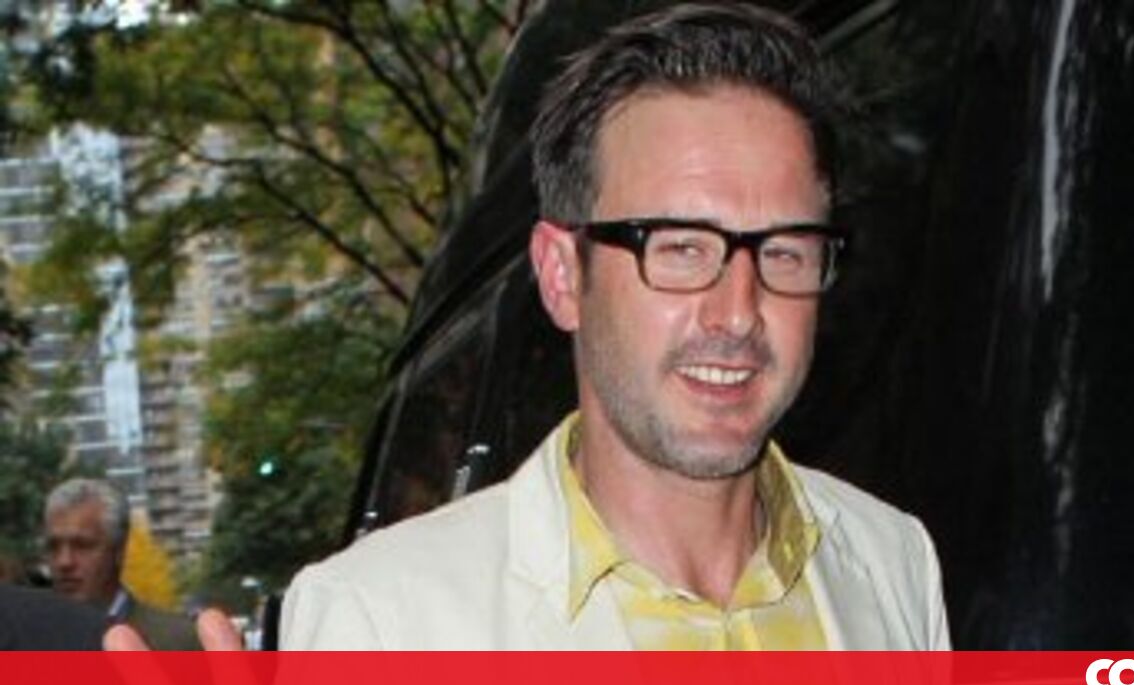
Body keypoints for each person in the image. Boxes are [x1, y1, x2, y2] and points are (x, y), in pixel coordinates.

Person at [277, 3, 949, 650]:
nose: (739, 311)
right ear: (563, 275)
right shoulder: (382, 621)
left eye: (784, 252)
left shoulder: (894, 562)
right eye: (680, 248)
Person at [44, 478, 200, 650]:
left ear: (119, 550)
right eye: (53, 546)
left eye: (82, 546)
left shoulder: (177, 640)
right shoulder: (30, 640)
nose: (64, 561)